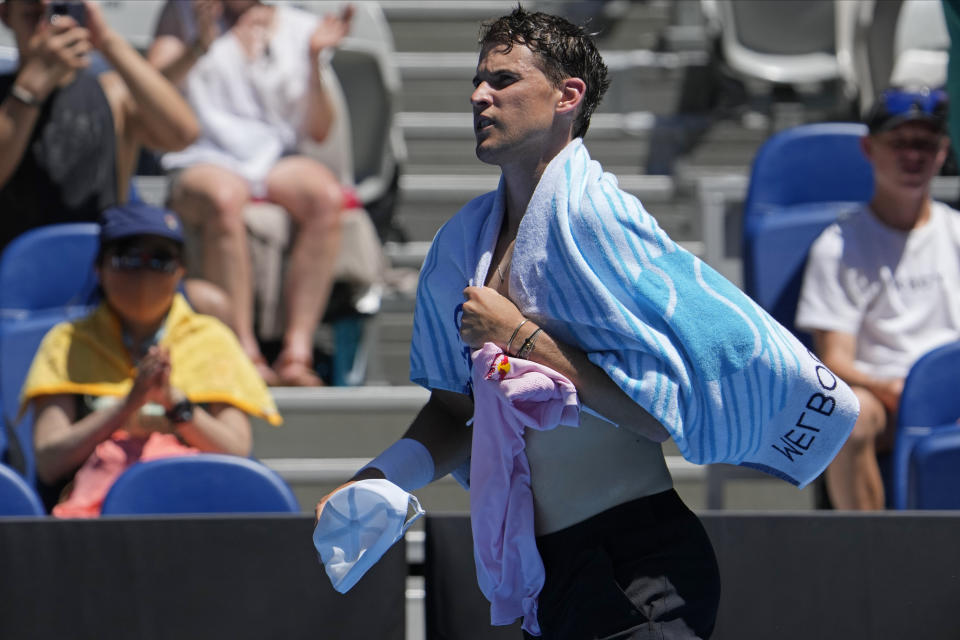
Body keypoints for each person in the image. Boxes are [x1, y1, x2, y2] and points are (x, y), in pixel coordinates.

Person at [316, 8, 858, 639]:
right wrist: (382, 479)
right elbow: (452, 408)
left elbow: (658, 415)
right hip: (549, 575)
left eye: (503, 80)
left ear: (567, 96)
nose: (478, 95)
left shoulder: (598, 221)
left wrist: (520, 339)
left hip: (640, 567)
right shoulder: (458, 246)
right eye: (477, 80)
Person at [20, 201, 282, 517]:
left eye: (160, 259)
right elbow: (50, 463)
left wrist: (174, 402)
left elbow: (237, 452)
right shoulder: (66, 341)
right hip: (97, 519)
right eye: (127, 258)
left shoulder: (212, 338)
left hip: (197, 510)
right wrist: (128, 404)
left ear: (181, 270)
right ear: (99, 268)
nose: (143, 272)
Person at [146, 0, 354, 386]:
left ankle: (297, 353)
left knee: (325, 196)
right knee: (224, 197)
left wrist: (313, 60)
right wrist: (197, 47)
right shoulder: (184, 14)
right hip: (199, 154)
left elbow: (319, 130)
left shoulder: (302, 28)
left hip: (272, 159)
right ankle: (243, 350)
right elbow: (148, 88)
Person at [0, 0, 233, 320]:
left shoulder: (111, 95)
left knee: (213, 305)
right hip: (12, 283)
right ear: (5, 16)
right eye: (32, 16)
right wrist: (32, 84)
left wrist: (108, 41)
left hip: (105, 283)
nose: (46, 28)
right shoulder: (7, 100)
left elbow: (183, 133)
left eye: (56, 14)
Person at [796, 86, 960, 511]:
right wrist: (896, 390)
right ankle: (872, 556)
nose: (913, 156)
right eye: (900, 142)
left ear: (943, 152)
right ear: (869, 148)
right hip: (882, 401)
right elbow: (834, 361)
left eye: (925, 143)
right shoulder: (839, 246)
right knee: (848, 417)